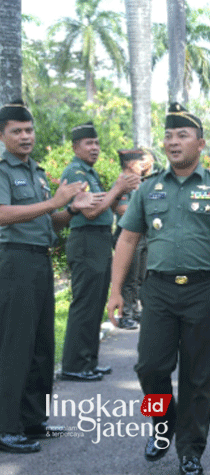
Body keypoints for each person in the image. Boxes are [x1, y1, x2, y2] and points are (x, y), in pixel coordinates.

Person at [107, 103, 210, 475]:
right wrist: (115, 290)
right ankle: (162, 422)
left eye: (182, 135)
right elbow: (127, 240)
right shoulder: (148, 188)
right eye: (168, 135)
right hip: (160, 291)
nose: (173, 142)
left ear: (200, 143)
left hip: (205, 290)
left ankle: (190, 450)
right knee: (150, 366)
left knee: (198, 375)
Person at [0, 100, 99, 453]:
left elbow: (48, 219)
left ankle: (33, 420)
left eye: (29, 130)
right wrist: (54, 202)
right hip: (13, 263)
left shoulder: (36, 172)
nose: (26, 136)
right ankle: (6, 426)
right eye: (17, 131)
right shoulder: (3, 170)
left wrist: (72, 209)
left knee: (42, 346)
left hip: (39, 261)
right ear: (2, 135)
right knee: (15, 345)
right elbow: (3, 214)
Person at [60, 122, 140, 381]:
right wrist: (117, 189)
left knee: (95, 305)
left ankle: (89, 361)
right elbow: (91, 211)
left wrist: (119, 192)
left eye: (96, 143)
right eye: (88, 143)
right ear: (75, 147)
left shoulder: (89, 173)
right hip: (86, 241)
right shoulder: (76, 173)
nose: (94, 148)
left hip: (98, 241)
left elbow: (104, 204)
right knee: (85, 304)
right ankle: (75, 364)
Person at [115, 149, 147, 330]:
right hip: (128, 237)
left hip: (142, 236)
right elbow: (121, 208)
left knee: (140, 277)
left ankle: (135, 310)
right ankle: (125, 314)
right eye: (139, 162)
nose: (142, 165)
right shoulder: (123, 182)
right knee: (129, 279)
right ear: (129, 164)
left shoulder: (139, 184)